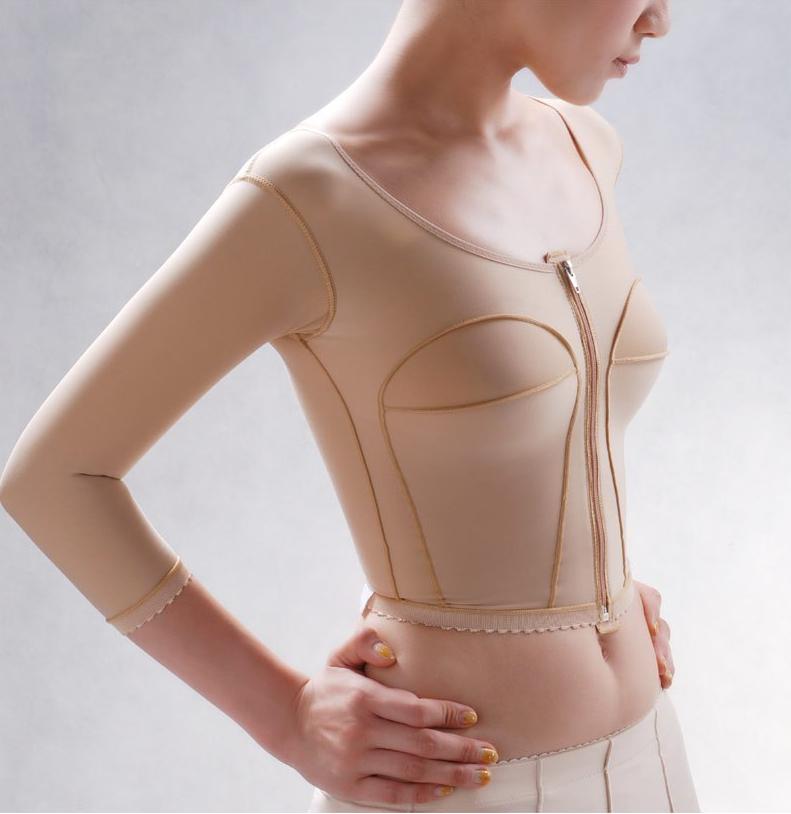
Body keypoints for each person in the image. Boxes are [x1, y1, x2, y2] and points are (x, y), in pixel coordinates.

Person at [0, 0, 700, 811]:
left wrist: (600, 591)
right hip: (458, 785)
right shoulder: (309, 196)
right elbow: (55, 478)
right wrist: (285, 718)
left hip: (654, 759)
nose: (659, 19)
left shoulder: (585, 146)